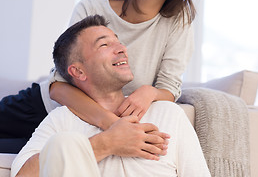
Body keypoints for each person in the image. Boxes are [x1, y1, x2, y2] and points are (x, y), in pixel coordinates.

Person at [0, 0, 197, 153]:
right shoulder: (92, 7)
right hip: (41, 108)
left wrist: (149, 92)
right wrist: (112, 125)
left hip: (77, 129)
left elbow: (168, 88)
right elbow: (58, 84)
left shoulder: (178, 24)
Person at [11, 15, 210, 177]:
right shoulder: (62, 119)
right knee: (63, 143)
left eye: (119, 42)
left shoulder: (168, 114)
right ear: (79, 72)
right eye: (104, 45)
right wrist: (106, 143)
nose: (122, 49)